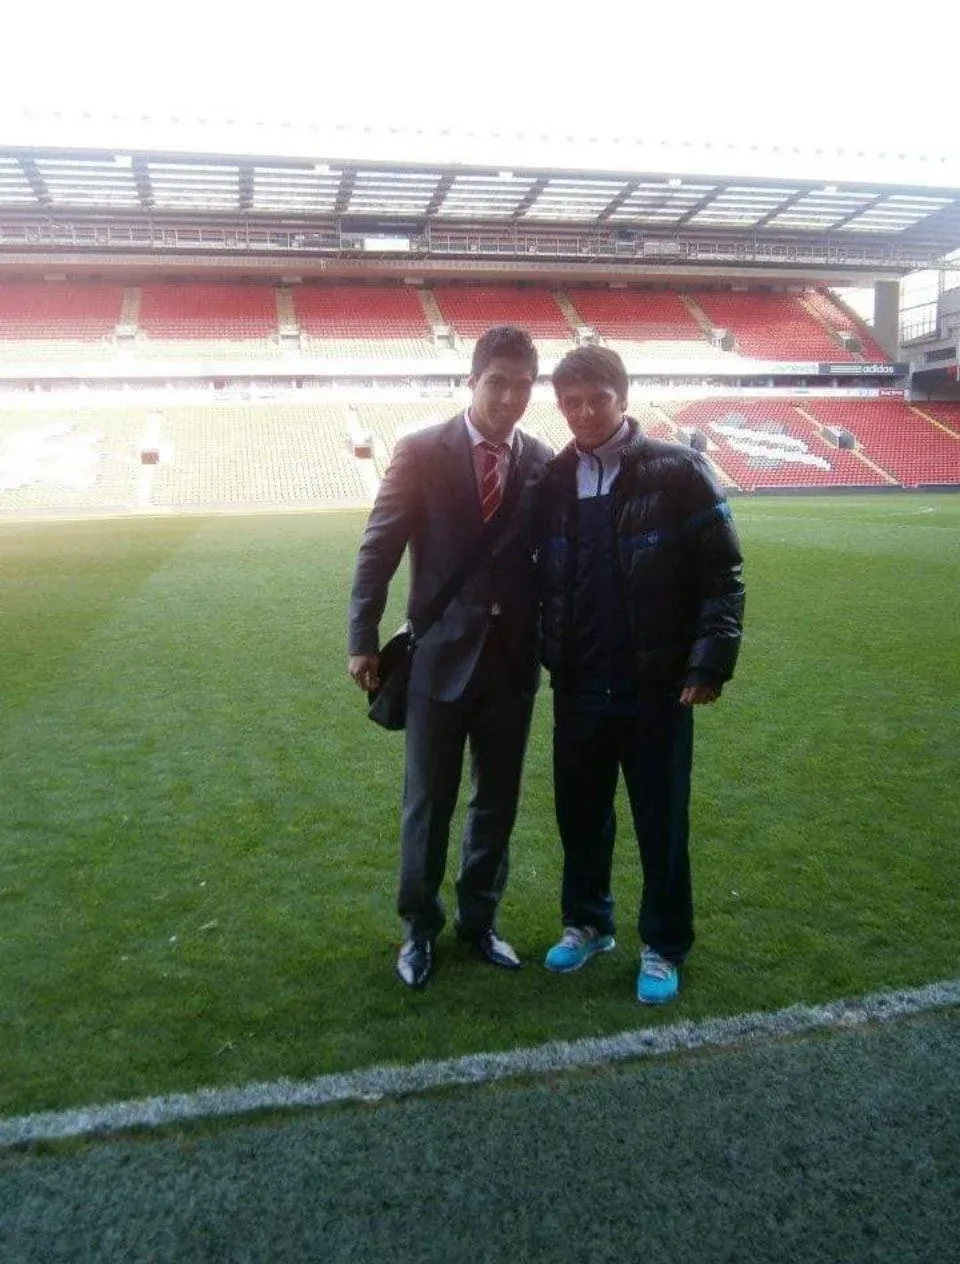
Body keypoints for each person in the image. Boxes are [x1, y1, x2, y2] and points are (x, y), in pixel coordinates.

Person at [536, 347, 745, 1004]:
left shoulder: (679, 470)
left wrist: (708, 661)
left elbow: (723, 575)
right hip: (579, 685)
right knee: (580, 816)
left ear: (622, 399)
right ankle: (588, 923)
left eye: (596, 399)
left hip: (655, 686)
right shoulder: (554, 479)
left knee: (661, 823)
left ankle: (664, 943)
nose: (583, 413)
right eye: (571, 402)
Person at [348, 325, 552, 989]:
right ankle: (419, 929)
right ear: (472, 382)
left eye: (523, 386)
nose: (510, 398)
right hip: (438, 659)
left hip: (513, 664)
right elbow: (379, 546)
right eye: (498, 383)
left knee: (497, 802)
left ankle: (479, 921)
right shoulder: (421, 451)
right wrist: (361, 637)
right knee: (428, 803)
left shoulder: (541, 460)